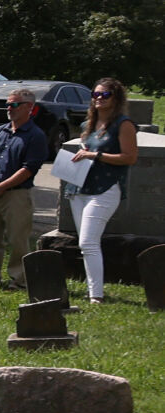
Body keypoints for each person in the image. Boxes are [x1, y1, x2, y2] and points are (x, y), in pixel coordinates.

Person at [66, 78, 141, 303]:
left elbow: (130, 157)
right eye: (95, 94)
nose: (98, 98)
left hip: (106, 188)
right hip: (80, 187)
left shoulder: (123, 124)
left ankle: (96, 295)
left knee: (88, 242)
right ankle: (94, 292)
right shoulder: (88, 124)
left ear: (116, 98)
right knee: (86, 243)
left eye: (105, 95)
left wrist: (95, 155)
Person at [0, 86, 50, 292]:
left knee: (18, 240)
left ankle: (19, 281)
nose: (9, 108)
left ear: (29, 108)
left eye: (14, 104)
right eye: (7, 104)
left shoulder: (36, 135)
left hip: (17, 195)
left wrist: (2, 187)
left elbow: (29, 169)